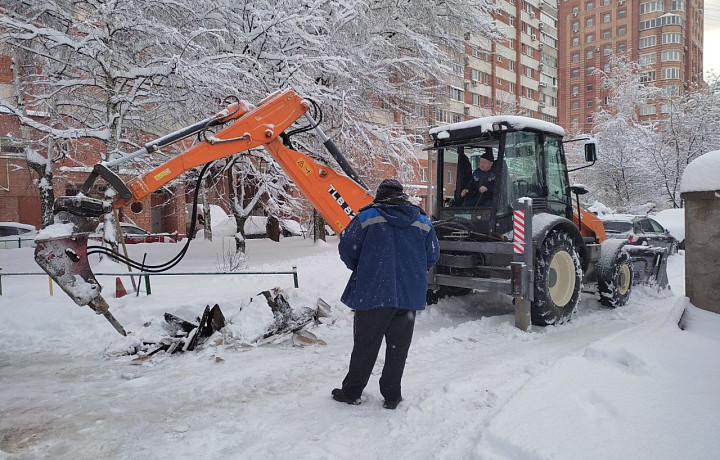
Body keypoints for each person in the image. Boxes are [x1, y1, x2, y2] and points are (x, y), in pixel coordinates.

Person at [332, 179, 440, 410]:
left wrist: (364, 267)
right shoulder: (422, 222)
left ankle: (352, 392)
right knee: (398, 347)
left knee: (365, 345)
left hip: (372, 293)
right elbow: (432, 255)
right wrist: (412, 272)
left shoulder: (367, 218)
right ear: (402, 196)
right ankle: (392, 396)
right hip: (407, 296)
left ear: (379, 195)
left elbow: (347, 248)